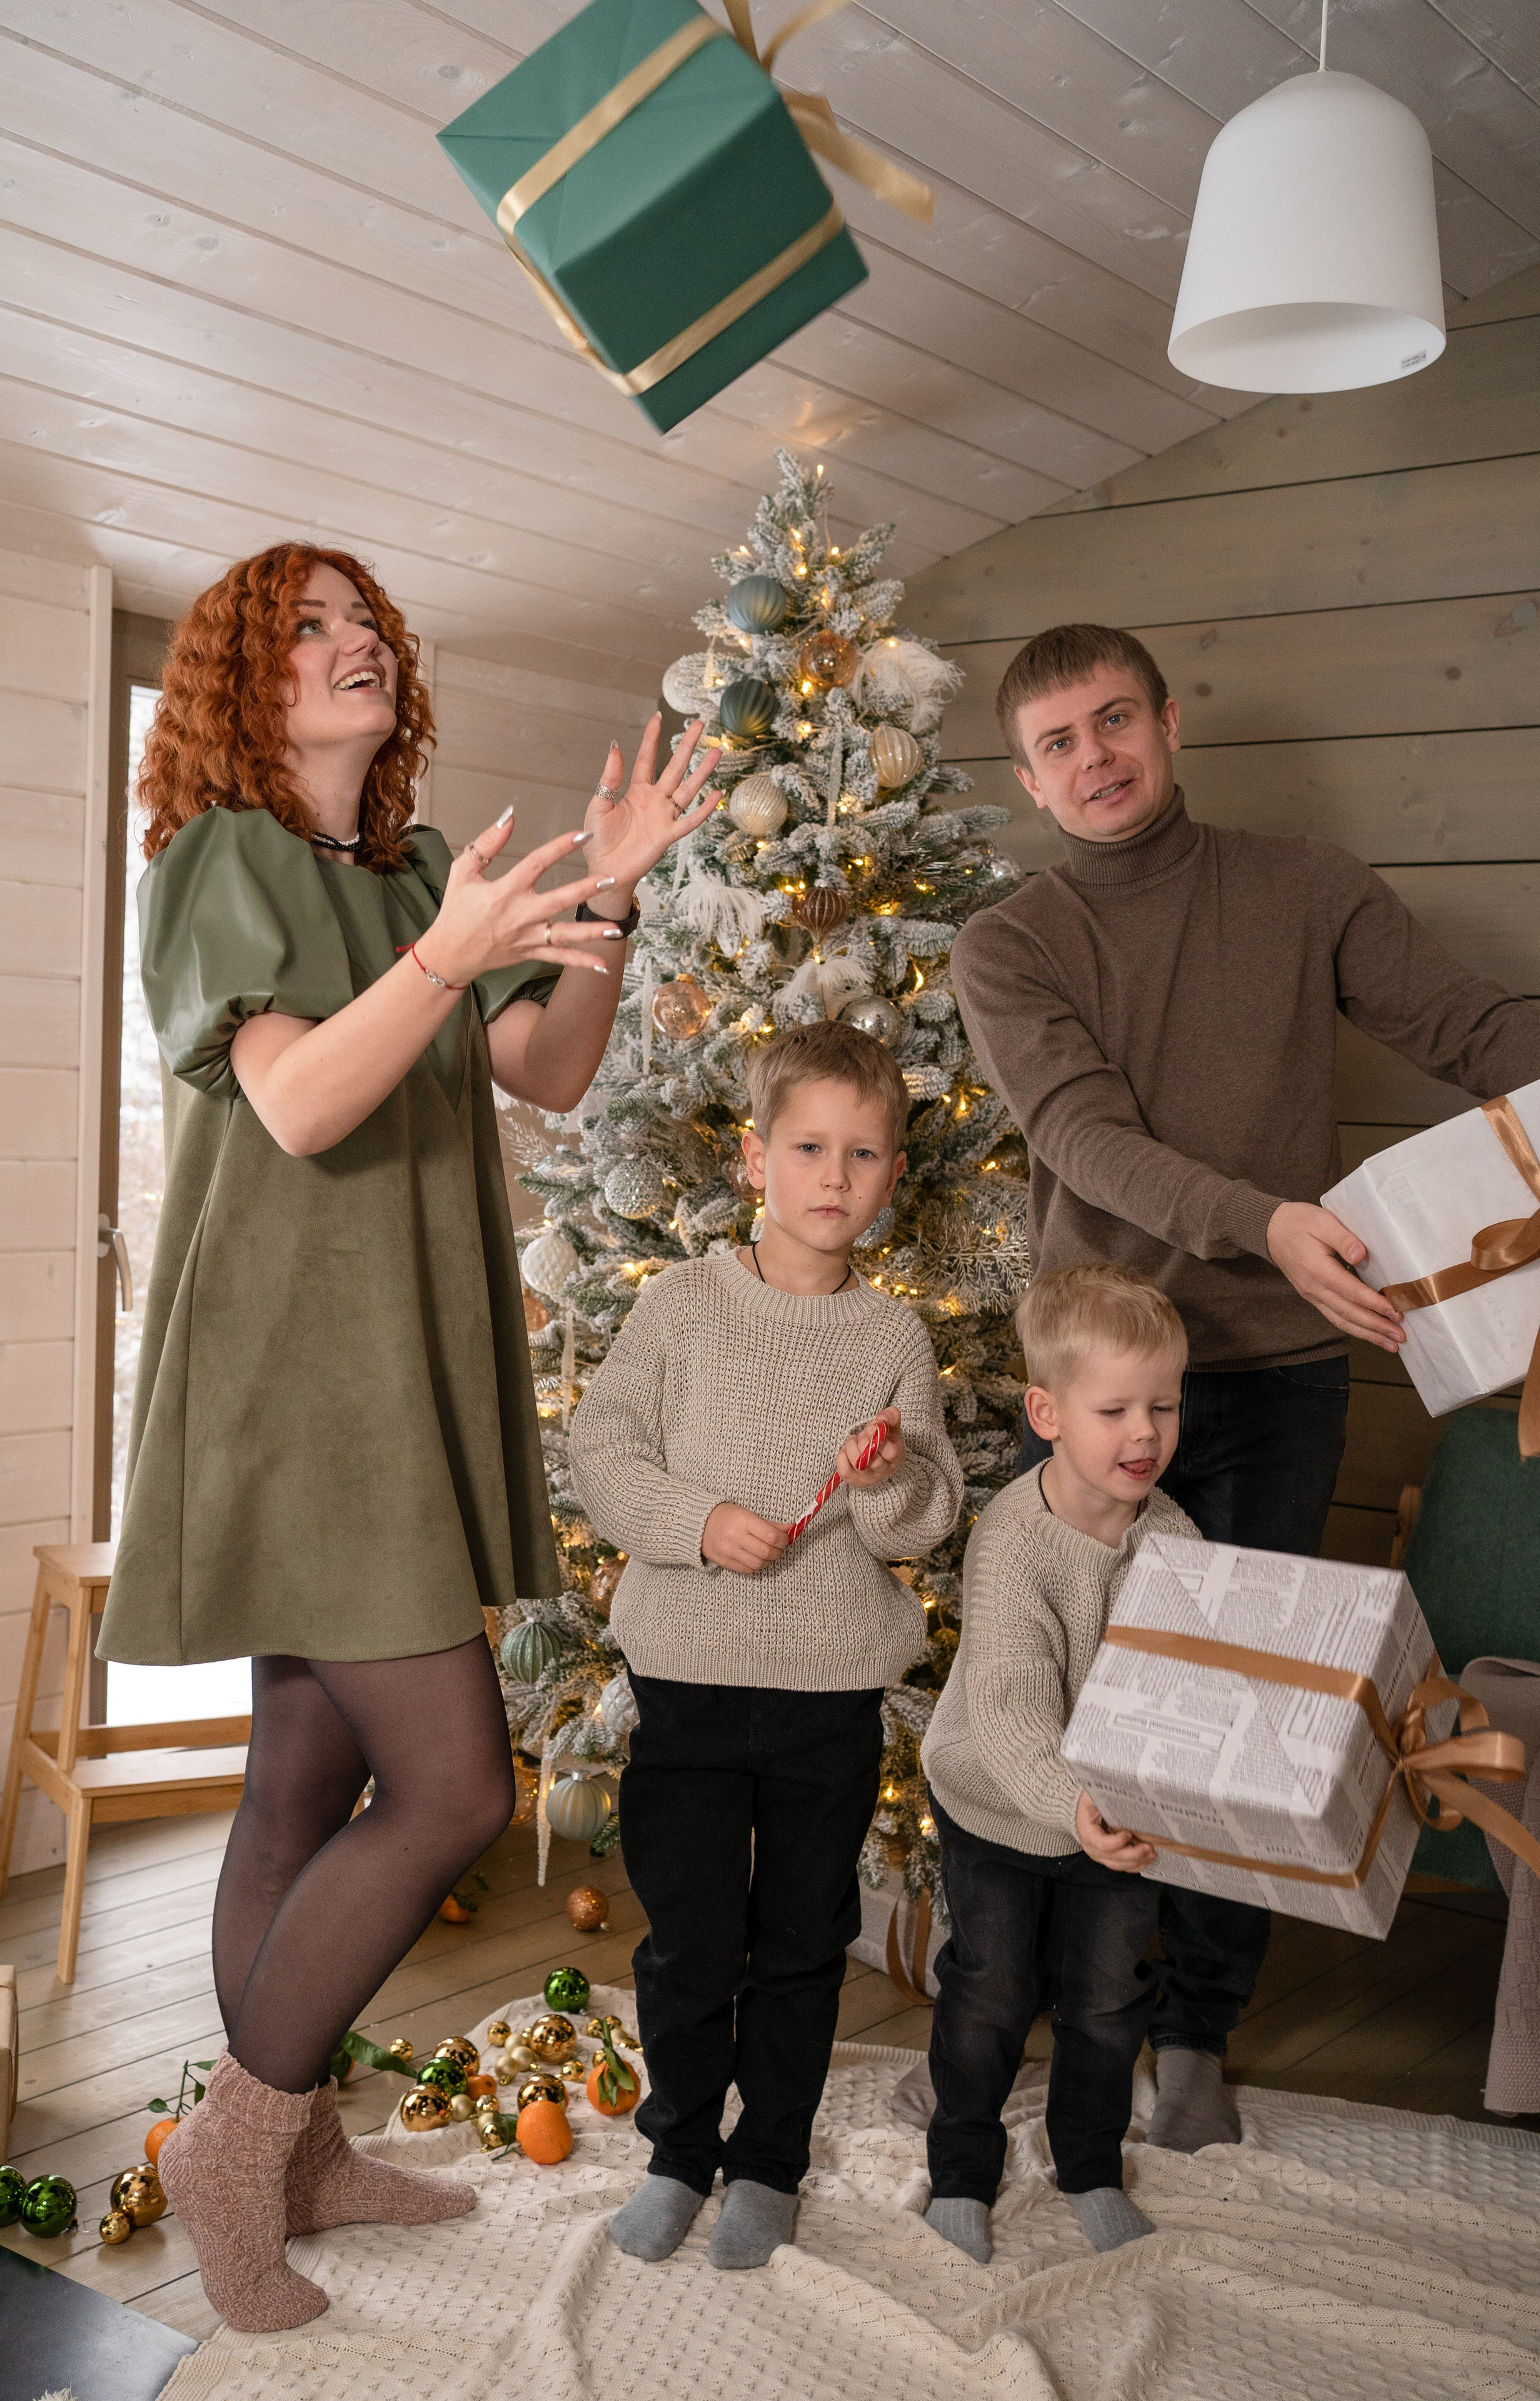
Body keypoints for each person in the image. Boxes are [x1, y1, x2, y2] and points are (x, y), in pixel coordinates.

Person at [96, 542, 719, 2333]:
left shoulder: (432, 872)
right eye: (311, 629)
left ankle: (292, 2150)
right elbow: (293, 1102)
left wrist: (601, 904)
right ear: (237, 680)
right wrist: (445, 963)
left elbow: (555, 1073)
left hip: (400, 1363)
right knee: (455, 1786)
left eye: (368, 624)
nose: (356, 645)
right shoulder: (215, 860)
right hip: (300, 1381)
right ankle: (243, 2137)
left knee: (300, 1770)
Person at [950, 620, 1540, 2153]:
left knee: (1245, 1722)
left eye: (1113, 720)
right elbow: (1083, 1142)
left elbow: (1469, 1028)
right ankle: (1052, 2007)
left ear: (1165, 722)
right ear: (1027, 778)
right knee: (1090, 1709)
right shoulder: (1009, 944)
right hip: (1100, 1382)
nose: (1094, 758)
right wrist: (1266, 1222)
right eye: (1058, 743)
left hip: (1277, 1376)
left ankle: (1192, 2035)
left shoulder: (1305, 886)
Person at [569, 1020, 964, 2270]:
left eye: (860, 1154)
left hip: (824, 1696)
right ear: (754, 1161)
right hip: (685, 1687)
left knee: (799, 1943)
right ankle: (681, 2151)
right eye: (806, 1148)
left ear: (891, 1175)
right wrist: (693, 1522)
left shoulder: (891, 1340)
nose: (832, 1177)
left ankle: (768, 2164)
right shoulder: (684, 1307)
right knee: (690, 1942)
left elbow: (925, 1519)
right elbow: (603, 1452)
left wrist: (893, 1473)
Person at [922, 1264, 1196, 2263]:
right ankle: (960, 2167)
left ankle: (1087, 2164)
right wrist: (1069, 1803)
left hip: (1115, 1821)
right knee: (991, 1988)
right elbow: (1006, 1705)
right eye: (1115, 1408)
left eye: (1163, 1405)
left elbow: (1184, 1684)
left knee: (1110, 1993)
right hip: (1001, 1802)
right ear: (1046, 1412)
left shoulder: (1174, 1535)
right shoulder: (1015, 1540)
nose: (1146, 1433)